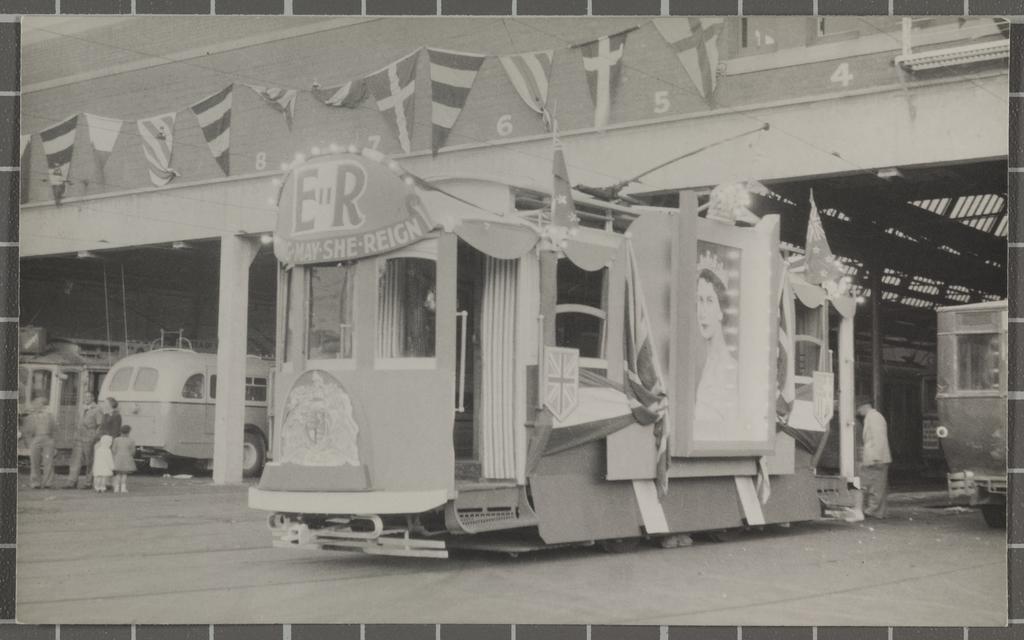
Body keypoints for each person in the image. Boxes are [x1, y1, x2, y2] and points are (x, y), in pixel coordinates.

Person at [694, 266, 739, 438]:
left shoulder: (730, 369)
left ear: (721, 311)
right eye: (699, 300)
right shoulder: (703, 365)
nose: (702, 311)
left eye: (710, 301)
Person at [857, 397, 892, 519]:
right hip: (876, 457)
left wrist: (876, 457)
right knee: (875, 485)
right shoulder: (872, 417)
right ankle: (875, 511)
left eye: (859, 407)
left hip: (877, 458)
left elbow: (878, 439)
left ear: (865, 406)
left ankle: (874, 511)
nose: (858, 410)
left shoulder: (874, 417)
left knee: (876, 486)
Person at [64, 392, 103, 489]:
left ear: (93, 398)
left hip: (90, 437)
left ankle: (88, 483)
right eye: (85, 396)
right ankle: (72, 482)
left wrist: (95, 437)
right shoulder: (81, 408)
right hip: (79, 437)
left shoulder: (97, 409)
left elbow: (100, 425)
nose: (86, 398)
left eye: (89, 396)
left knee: (90, 460)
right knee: (75, 460)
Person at [23, 397, 57, 489]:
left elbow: (55, 429)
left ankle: (48, 483)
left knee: (48, 461)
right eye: (36, 404)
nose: (37, 406)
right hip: (35, 439)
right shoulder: (30, 417)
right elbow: (26, 432)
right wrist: (30, 443)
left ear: (43, 405)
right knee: (34, 462)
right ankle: (35, 482)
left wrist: (53, 442)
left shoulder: (50, 416)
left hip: (48, 439)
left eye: (40, 404)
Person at [111, 425, 137, 494]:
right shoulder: (131, 440)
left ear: (120, 431)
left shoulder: (116, 439)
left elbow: (113, 450)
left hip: (118, 458)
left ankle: (116, 488)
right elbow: (133, 451)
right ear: (129, 432)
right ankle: (123, 488)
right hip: (127, 458)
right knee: (124, 474)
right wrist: (130, 455)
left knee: (118, 474)